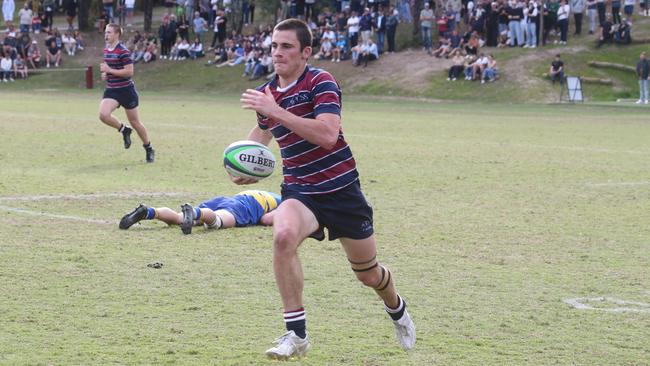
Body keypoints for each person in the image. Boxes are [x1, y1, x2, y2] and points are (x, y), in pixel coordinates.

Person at [238, 18, 415, 360]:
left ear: (306, 52)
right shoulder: (267, 92)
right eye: (274, 46)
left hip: (341, 190)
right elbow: (261, 135)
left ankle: (397, 309)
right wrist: (243, 164)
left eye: (286, 46)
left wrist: (278, 111)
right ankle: (296, 334)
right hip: (300, 190)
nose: (277, 53)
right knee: (283, 235)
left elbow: (327, 135)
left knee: (368, 274)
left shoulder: (321, 82)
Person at [99, 23, 155, 163]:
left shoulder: (123, 51)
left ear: (117, 34)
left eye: (109, 32)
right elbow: (109, 69)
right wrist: (106, 74)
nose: (106, 35)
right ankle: (124, 130)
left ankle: (148, 148)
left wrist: (110, 70)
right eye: (106, 32)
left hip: (126, 90)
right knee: (103, 115)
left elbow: (129, 72)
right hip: (112, 89)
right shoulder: (106, 49)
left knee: (135, 122)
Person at [119, 190, 282, 234]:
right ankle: (196, 213)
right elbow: (267, 219)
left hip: (226, 199)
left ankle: (149, 212)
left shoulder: (270, 195)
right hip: (243, 207)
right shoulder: (287, 201)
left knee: (177, 218)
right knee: (216, 222)